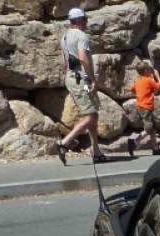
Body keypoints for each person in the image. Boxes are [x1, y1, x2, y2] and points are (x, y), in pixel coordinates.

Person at [56, 8, 109, 164]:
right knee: (91, 116)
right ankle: (64, 143)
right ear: (79, 21)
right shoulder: (81, 36)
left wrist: (70, 84)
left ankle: (96, 152)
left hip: (71, 79)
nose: (86, 22)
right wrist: (93, 80)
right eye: (85, 20)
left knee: (92, 114)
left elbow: (63, 63)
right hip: (82, 80)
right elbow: (83, 58)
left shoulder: (65, 37)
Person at [127, 61, 160, 156]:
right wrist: (157, 76)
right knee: (149, 128)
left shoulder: (138, 81)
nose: (151, 72)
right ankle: (135, 142)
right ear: (146, 70)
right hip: (146, 107)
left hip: (140, 107)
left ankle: (155, 148)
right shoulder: (149, 80)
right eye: (150, 70)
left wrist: (139, 95)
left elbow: (131, 88)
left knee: (152, 128)